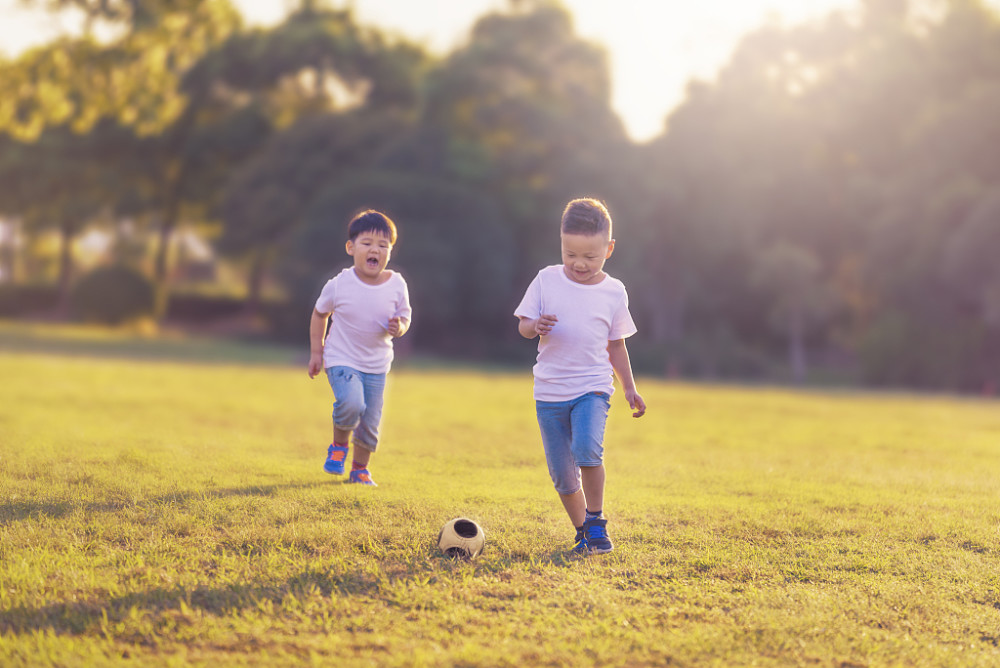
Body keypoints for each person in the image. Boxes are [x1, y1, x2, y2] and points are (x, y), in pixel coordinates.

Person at [514, 198, 646, 554]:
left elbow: (616, 345)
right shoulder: (546, 280)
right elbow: (525, 327)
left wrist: (629, 388)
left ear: (609, 248)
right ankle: (581, 531)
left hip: (592, 388)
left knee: (587, 448)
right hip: (549, 391)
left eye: (590, 256)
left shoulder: (613, 292)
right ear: (561, 243)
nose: (578, 263)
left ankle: (597, 520)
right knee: (561, 473)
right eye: (570, 253)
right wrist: (534, 325)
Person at [307, 209, 412, 487]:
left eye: (383, 245)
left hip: (377, 366)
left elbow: (405, 317)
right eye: (367, 243)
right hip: (341, 358)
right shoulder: (339, 284)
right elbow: (320, 314)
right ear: (351, 247)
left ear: (390, 251)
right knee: (352, 403)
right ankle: (339, 446)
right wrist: (317, 352)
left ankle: (360, 470)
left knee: (370, 423)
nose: (374, 250)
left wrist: (399, 327)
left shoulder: (397, 284)